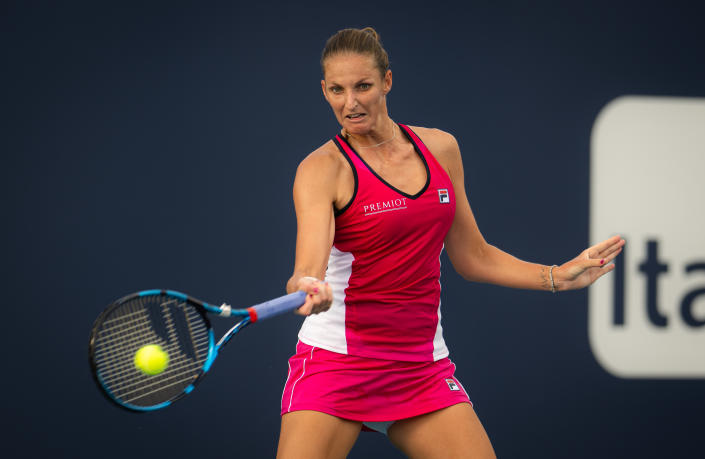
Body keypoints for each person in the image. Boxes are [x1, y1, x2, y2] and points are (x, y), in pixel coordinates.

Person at [276, 27, 624, 459]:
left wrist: (556, 277)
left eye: (363, 86)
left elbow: (472, 256)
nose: (350, 103)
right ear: (324, 90)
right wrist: (309, 289)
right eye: (337, 90)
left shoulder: (441, 148)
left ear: (387, 81)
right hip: (337, 363)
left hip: (421, 367)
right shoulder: (320, 168)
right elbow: (306, 268)